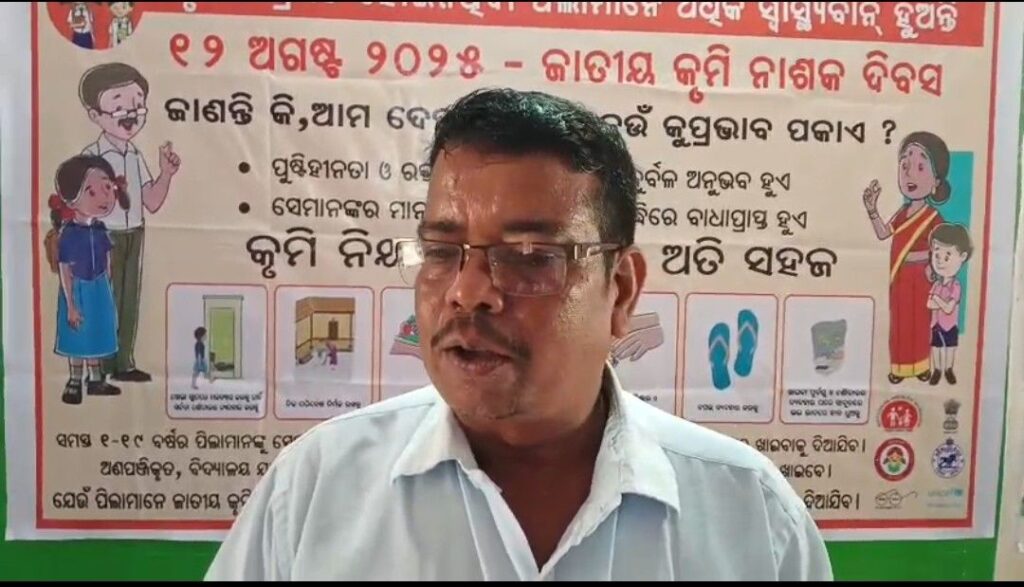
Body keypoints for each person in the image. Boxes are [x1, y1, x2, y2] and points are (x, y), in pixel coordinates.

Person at [206, 89, 832, 581]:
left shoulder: (750, 515)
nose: (467, 292)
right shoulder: (317, 488)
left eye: (530, 257)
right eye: (441, 251)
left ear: (620, 291)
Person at [78, 62, 181, 383]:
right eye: (119, 106)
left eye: (137, 106)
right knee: (103, 301)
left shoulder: (135, 155)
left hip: (134, 232)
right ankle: (99, 367)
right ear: (95, 115)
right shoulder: (92, 157)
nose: (131, 114)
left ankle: (124, 362)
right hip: (102, 235)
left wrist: (166, 174)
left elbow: (151, 200)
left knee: (129, 300)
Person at [863, 131, 951, 385]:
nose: (910, 173)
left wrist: (933, 267)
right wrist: (872, 210)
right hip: (901, 277)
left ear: (935, 181)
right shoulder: (902, 213)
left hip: (923, 277)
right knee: (900, 321)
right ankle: (899, 368)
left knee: (920, 322)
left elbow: (941, 248)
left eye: (920, 167)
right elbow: (883, 233)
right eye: (905, 166)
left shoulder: (933, 217)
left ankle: (921, 366)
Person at [48, 155, 129, 404]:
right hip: (78, 289)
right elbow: (65, 268)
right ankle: (75, 380)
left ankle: (95, 379)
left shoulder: (101, 230)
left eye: (107, 188)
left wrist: (107, 290)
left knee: (96, 333)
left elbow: (107, 261)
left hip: (99, 288)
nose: (104, 198)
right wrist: (71, 304)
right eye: (91, 192)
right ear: (71, 199)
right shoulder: (70, 234)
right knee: (77, 334)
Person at [927, 223, 972, 386]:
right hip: (936, 324)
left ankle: (948, 369)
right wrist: (939, 301)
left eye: (947, 257)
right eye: (936, 255)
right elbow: (929, 304)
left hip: (950, 324)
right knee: (936, 347)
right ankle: (937, 370)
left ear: (962, 257)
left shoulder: (956, 286)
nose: (940, 262)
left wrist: (937, 299)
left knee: (950, 348)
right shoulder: (936, 285)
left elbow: (948, 308)